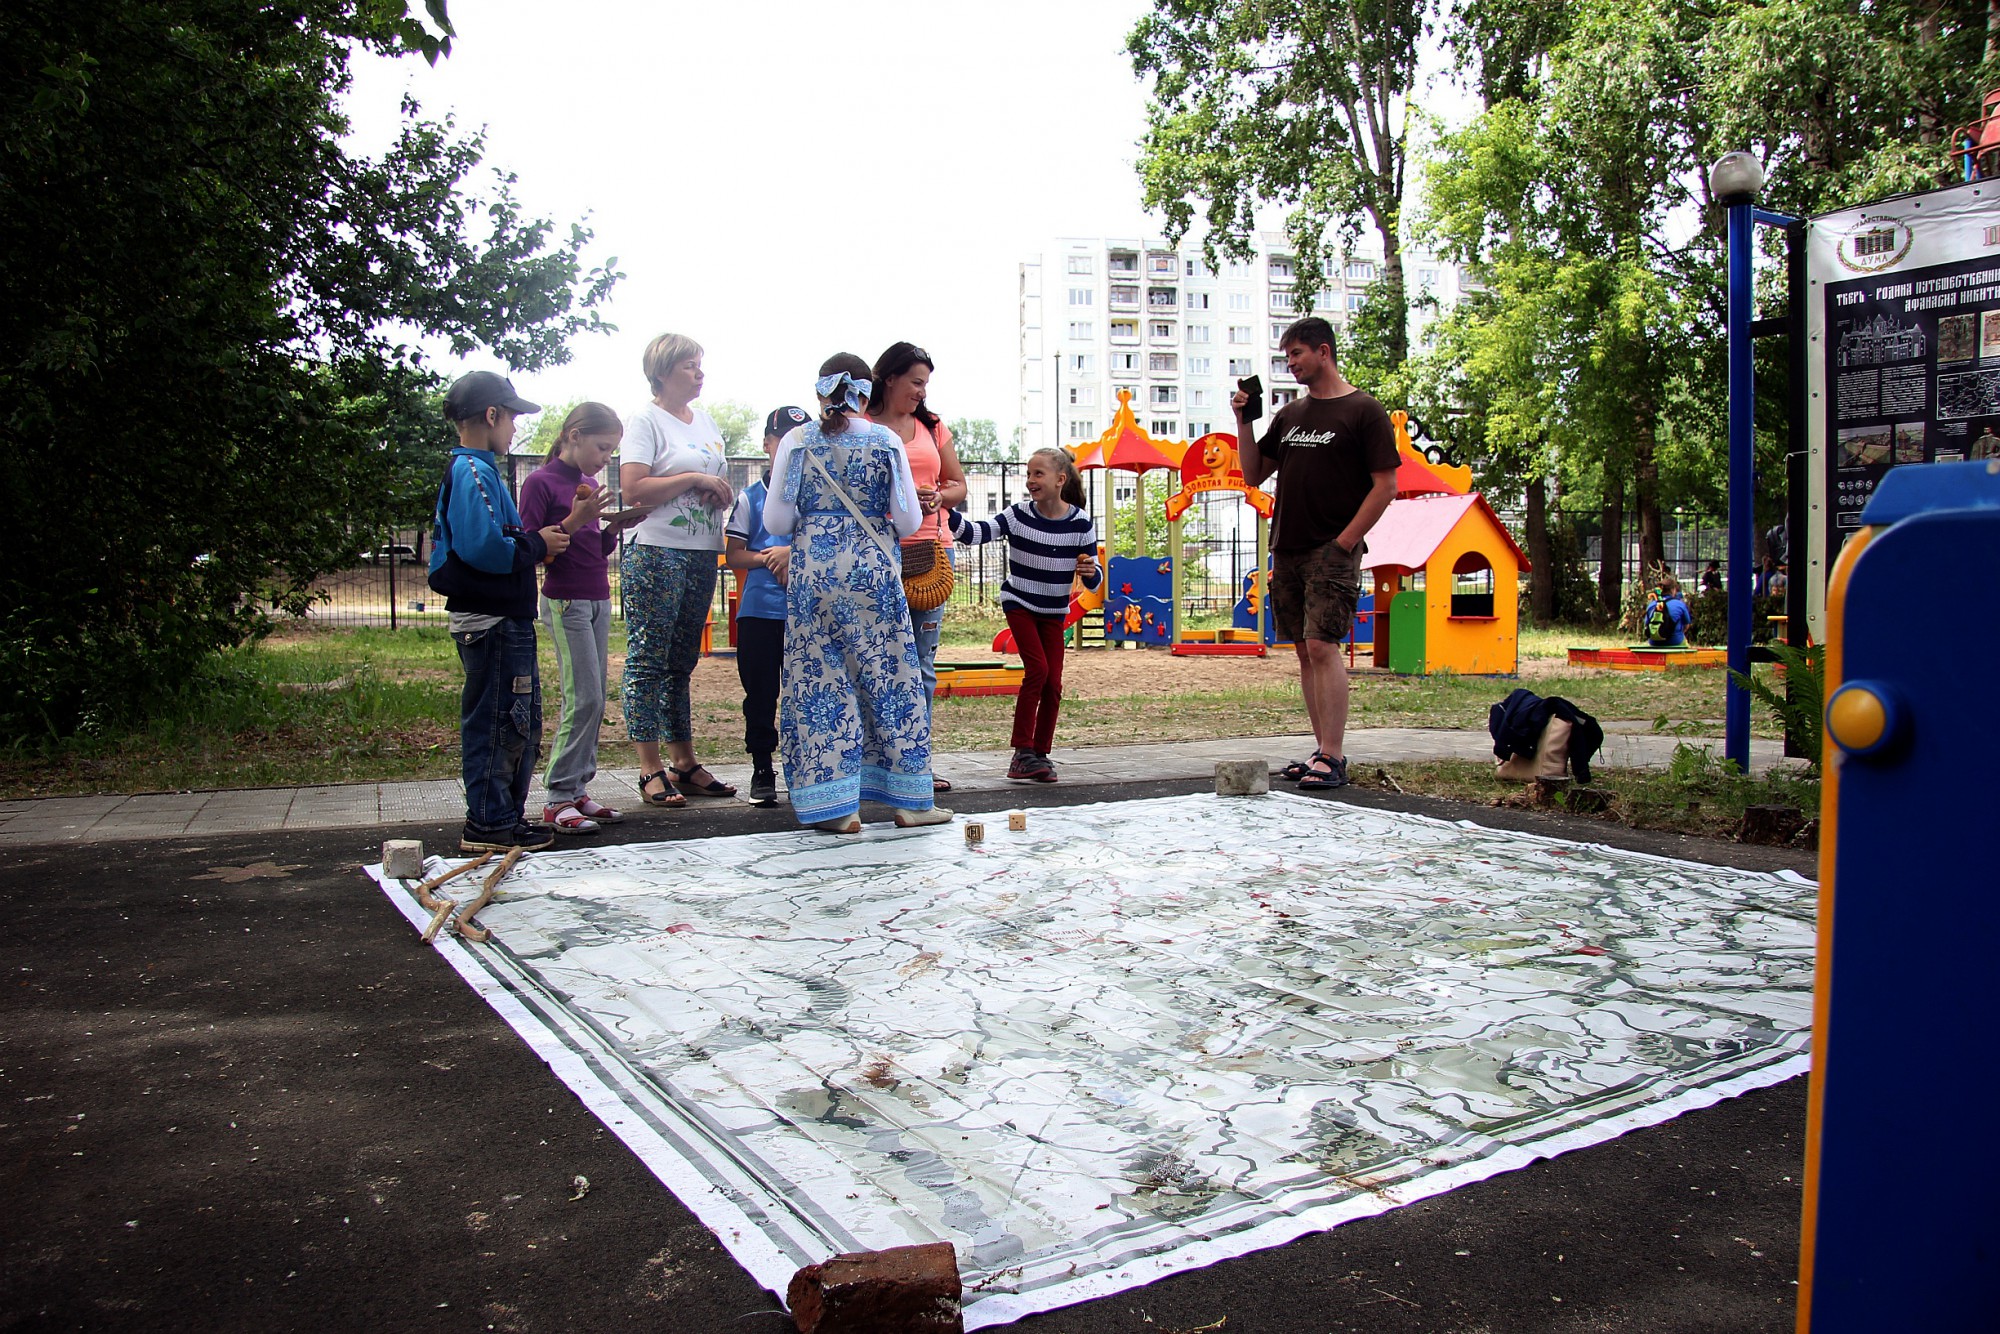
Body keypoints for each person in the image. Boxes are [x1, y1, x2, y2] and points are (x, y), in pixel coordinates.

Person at [762, 354, 950, 834]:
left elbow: (776, 523)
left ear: (821, 392)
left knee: (821, 686)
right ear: (866, 393)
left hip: (815, 578)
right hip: (874, 575)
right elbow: (908, 520)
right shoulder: (885, 440)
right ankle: (909, 800)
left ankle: (836, 807)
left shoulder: (796, 442)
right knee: (891, 680)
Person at [1232, 317, 1399, 790]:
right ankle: (1319, 749)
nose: (1292, 365)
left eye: (1297, 355)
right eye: (1287, 358)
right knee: (1305, 649)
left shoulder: (1363, 410)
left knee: (1325, 646)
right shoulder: (1290, 416)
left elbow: (1386, 486)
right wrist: (1244, 422)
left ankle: (1334, 755)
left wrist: (1346, 541)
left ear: (1323, 352)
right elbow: (1252, 474)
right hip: (1287, 547)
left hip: (1333, 549)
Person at [428, 371, 569, 853]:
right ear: (492, 415)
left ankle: (505, 814)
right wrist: (536, 543)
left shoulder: (483, 470)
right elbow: (484, 547)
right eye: (511, 419)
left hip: (506, 618)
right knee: (497, 722)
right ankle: (487, 822)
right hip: (489, 622)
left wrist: (535, 543)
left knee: (519, 720)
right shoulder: (472, 471)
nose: (514, 431)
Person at [518, 402, 651, 833]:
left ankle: (577, 789)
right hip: (565, 600)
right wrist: (577, 519)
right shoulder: (540, 483)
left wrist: (613, 528)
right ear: (573, 436)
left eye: (612, 451)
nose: (605, 460)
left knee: (595, 697)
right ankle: (557, 797)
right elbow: (533, 546)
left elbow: (592, 551)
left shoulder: (589, 483)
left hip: (596, 598)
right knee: (583, 697)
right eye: (601, 448)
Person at [619, 332, 737, 807]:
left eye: (700, 364)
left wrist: (717, 488)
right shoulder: (645, 420)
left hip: (702, 550)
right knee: (649, 657)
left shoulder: (705, 420)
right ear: (663, 372)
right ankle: (649, 766)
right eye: (690, 365)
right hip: (657, 550)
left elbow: (717, 472)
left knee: (682, 660)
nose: (700, 372)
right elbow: (634, 490)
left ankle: (684, 761)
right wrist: (693, 478)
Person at [946, 448, 1102, 781]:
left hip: (1053, 611)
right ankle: (1021, 753)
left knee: (1054, 683)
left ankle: (1040, 755)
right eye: (1029, 474)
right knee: (1039, 670)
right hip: (1020, 603)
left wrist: (1090, 572)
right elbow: (976, 533)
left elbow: (1095, 577)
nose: (1031, 480)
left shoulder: (1081, 522)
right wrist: (946, 510)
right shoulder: (1018, 515)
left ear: (1060, 480)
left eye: (1038, 474)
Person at [869, 342, 967, 793]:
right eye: (915, 382)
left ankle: (916, 761)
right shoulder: (862, 425)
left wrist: (938, 497)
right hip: (876, 553)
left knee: (922, 663)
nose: (921, 393)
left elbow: (956, 484)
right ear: (889, 378)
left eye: (925, 385)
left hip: (931, 553)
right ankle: (877, 762)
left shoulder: (932, 425)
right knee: (879, 660)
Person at [723, 405, 809, 807]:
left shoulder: (814, 496)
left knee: (806, 693)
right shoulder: (750, 498)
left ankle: (807, 769)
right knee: (760, 694)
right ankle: (762, 768)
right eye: (783, 441)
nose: (791, 450)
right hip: (759, 612)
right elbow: (735, 554)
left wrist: (796, 553)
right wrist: (770, 556)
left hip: (805, 612)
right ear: (767, 444)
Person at [1641, 575, 1692, 647]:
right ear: (1672, 590)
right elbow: (1687, 625)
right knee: (1687, 647)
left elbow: (1646, 624)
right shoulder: (1679, 604)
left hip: (1654, 642)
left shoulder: (1652, 605)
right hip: (1675, 641)